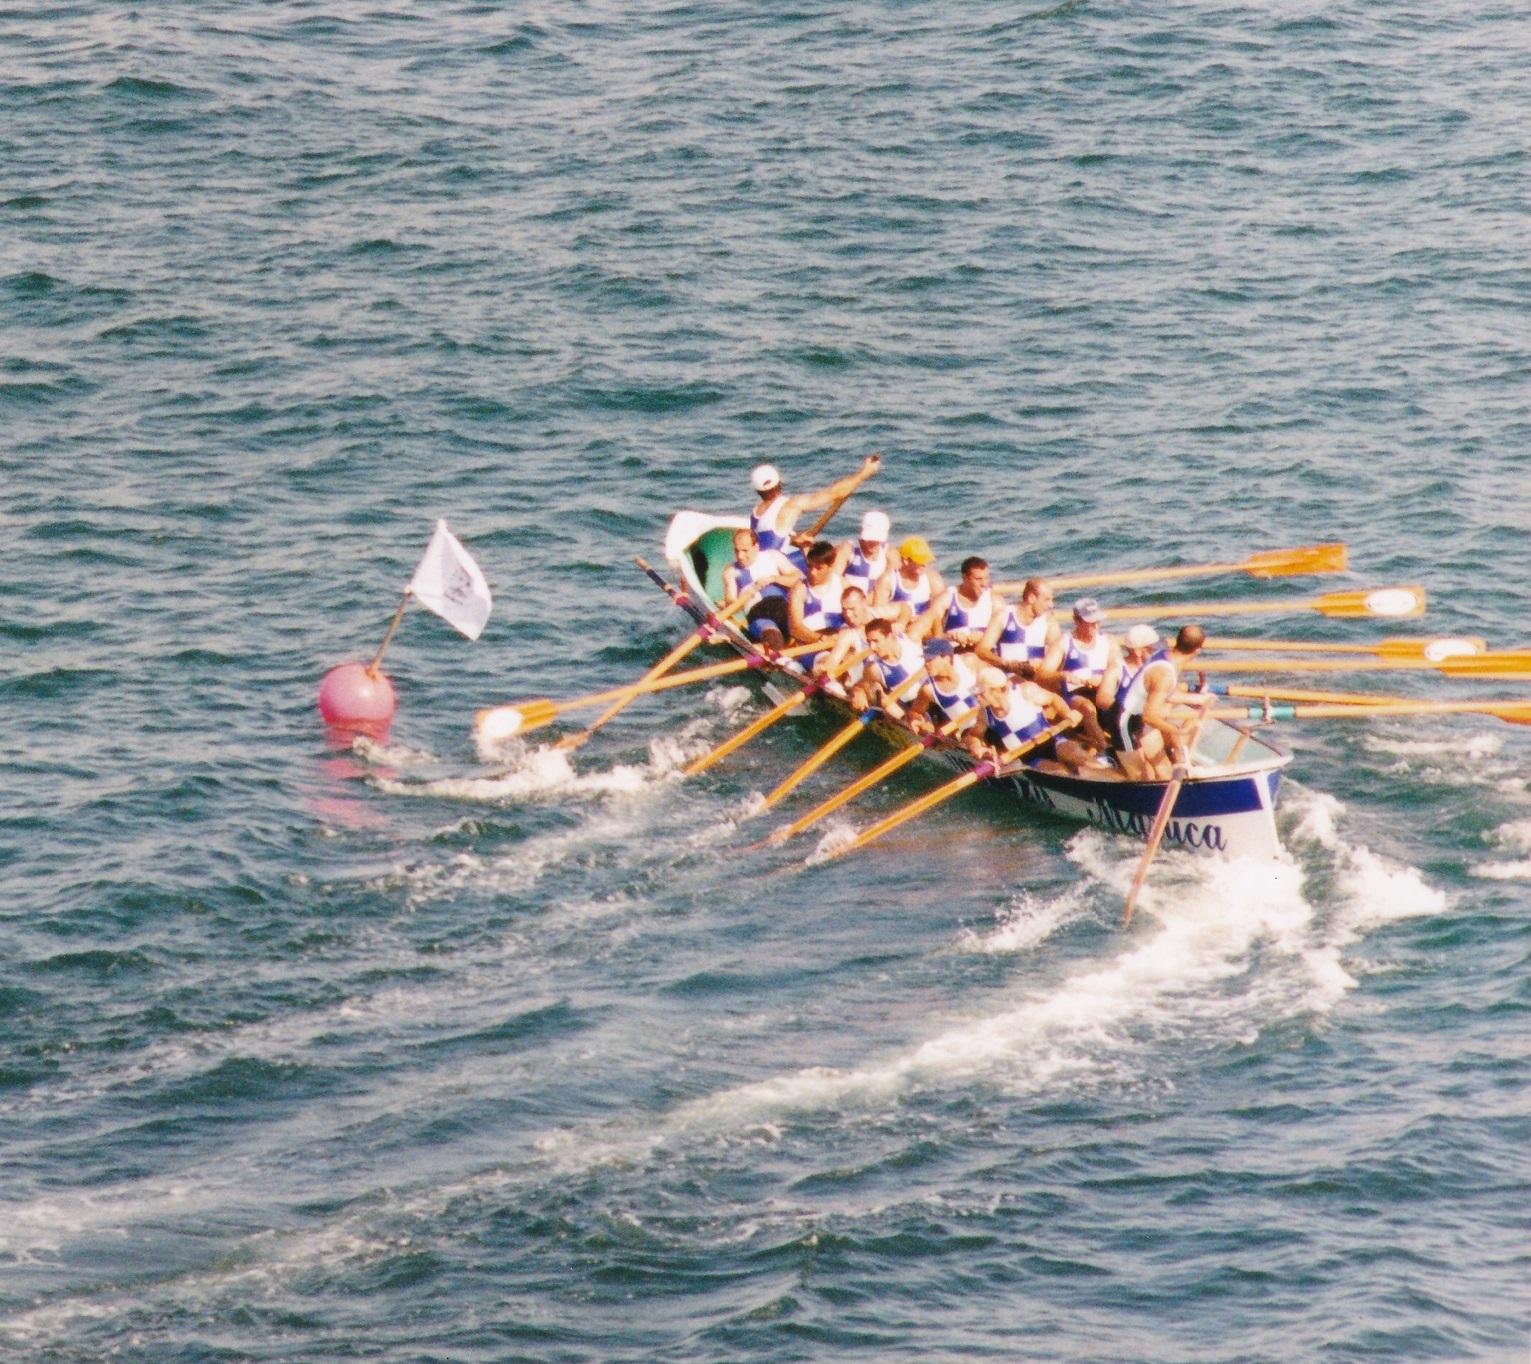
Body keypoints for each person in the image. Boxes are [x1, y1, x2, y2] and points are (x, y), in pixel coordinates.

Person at [1115, 623, 1214, 781]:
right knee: (1140, 777)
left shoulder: (1166, 655)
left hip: (1141, 718)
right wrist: (1177, 731)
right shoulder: (1165, 674)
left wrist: (1198, 698)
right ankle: (1084, 773)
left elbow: (1163, 694)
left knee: (1165, 771)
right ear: (1197, 650)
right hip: (1125, 721)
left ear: (1177, 641)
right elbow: (1149, 716)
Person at [749, 455, 880, 571]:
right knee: (831, 554)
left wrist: (795, 540)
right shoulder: (790, 505)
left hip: (760, 567)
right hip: (778, 569)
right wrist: (865, 473)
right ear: (779, 482)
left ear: (757, 490)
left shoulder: (755, 513)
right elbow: (834, 492)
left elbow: (768, 540)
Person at [965, 666, 1092, 775]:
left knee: (1080, 758)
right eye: (976, 693)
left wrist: (1068, 715)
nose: (977, 697)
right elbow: (974, 736)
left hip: (1052, 741)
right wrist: (978, 749)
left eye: (981, 693)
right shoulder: (984, 713)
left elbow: (1053, 699)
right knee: (1060, 772)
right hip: (1028, 758)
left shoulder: (1026, 691)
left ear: (998, 690)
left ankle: (1104, 772)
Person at [1041, 596, 1122, 751]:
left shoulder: (1109, 642)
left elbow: (1117, 668)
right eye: (1089, 622)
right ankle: (1105, 749)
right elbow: (1042, 674)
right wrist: (1063, 675)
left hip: (1103, 691)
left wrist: (1103, 680)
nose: (1095, 626)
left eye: (1097, 621)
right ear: (1076, 621)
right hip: (1074, 695)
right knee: (1087, 708)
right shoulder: (1064, 642)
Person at [722, 527, 802, 650]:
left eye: (745, 550)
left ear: (756, 547)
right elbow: (730, 606)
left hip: (784, 607)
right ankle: (765, 649)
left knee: (805, 633)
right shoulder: (731, 571)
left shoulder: (773, 556)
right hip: (758, 613)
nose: (740, 556)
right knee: (774, 640)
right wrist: (744, 596)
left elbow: (797, 578)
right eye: (736, 551)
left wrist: (774, 578)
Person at [977, 576, 1060, 681]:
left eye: (1052, 600)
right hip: (1007, 676)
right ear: (1031, 598)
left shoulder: (1049, 622)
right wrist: (1006, 663)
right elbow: (981, 650)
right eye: (1047, 600)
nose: (1051, 605)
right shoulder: (1004, 615)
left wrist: (1043, 663)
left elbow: (1058, 656)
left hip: (1035, 678)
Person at [787, 539, 852, 671]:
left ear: (831, 565)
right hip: (810, 645)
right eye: (809, 566)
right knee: (827, 665)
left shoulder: (843, 585)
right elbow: (795, 628)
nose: (812, 572)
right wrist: (821, 638)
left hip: (839, 642)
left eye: (818, 568)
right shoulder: (800, 589)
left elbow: (856, 619)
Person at [907, 637, 982, 738]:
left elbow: (997, 678)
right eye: (925, 660)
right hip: (969, 735)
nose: (926, 664)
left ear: (946, 658)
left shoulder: (970, 661)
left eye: (930, 659)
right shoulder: (928, 689)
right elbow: (915, 711)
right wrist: (916, 719)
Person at [929, 556, 1003, 650]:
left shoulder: (995, 600)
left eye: (986, 578)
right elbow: (931, 635)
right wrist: (951, 637)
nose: (984, 584)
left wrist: (985, 636)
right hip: (955, 652)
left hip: (984, 653)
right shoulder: (946, 598)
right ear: (965, 578)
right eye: (978, 579)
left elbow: (1006, 634)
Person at [860, 618, 927, 720]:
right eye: (869, 642)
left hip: (934, 697)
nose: (872, 647)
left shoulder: (912, 638)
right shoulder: (873, 668)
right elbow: (868, 690)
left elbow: (934, 613)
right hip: (912, 708)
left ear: (890, 636)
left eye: (876, 641)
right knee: (885, 702)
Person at [874, 536, 946, 629]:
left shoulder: (933, 579)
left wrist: (920, 620)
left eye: (926, 560)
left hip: (924, 628)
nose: (925, 564)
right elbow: (878, 613)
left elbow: (940, 614)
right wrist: (903, 620)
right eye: (920, 561)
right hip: (898, 628)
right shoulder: (887, 579)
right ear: (906, 561)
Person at [842, 510, 892, 596]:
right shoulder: (848, 548)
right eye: (870, 539)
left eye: (877, 540)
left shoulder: (889, 553)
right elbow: (835, 578)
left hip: (874, 602)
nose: (873, 542)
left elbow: (892, 584)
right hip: (851, 602)